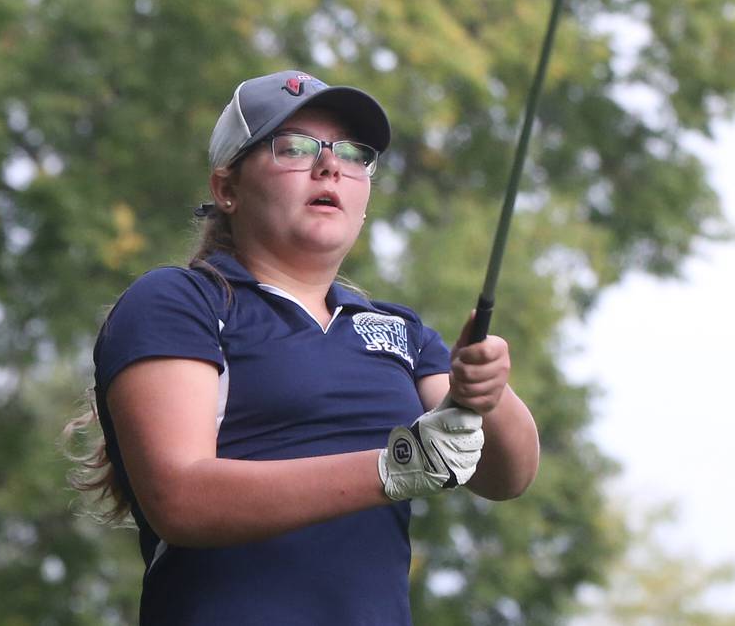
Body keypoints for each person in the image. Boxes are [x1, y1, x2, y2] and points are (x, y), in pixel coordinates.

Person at [71, 69, 539, 624]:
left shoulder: (401, 331)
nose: (329, 165)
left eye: (353, 153)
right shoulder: (179, 301)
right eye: (293, 147)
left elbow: (508, 476)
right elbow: (180, 496)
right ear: (227, 189)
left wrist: (487, 392)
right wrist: (392, 470)